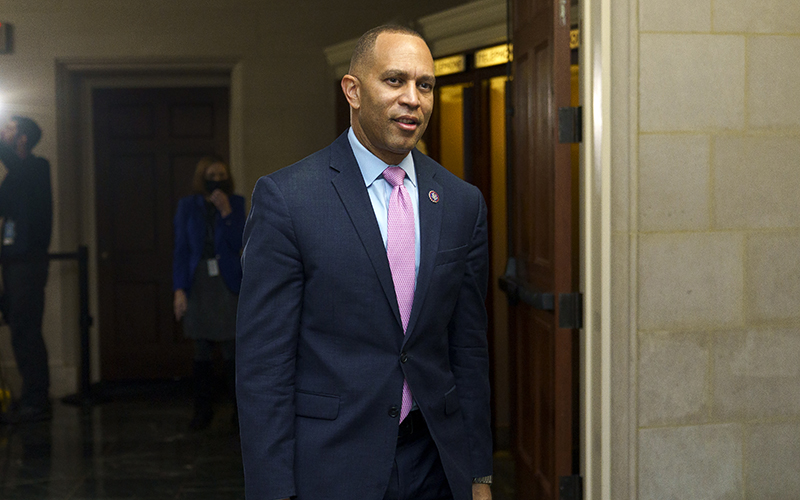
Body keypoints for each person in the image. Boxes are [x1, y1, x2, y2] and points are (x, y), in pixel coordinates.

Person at [236, 25, 493, 500]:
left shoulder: (461, 202)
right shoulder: (290, 199)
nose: (413, 99)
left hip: (436, 465)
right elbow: (263, 367)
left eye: (425, 85)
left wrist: (479, 474)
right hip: (331, 468)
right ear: (353, 91)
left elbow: (468, 352)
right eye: (395, 81)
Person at [172, 156, 245, 431]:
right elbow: (180, 249)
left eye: (221, 174)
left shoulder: (235, 203)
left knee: (232, 348)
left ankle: (239, 415)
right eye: (211, 174)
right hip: (199, 281)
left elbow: (240, 241)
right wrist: (179, 289)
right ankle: (203, 411)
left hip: (227, 282)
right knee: (201, 349)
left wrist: (226, 214)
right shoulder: (187, 206)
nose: (216, 178)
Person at [0, 116, 53, 425]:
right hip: (12, 259)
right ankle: (32, 394)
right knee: (18, 326)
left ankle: (37, 396)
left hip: (28, 261)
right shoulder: (14, 176)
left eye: (8, 127)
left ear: (22, 138)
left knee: (26, 326)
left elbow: (16, 169)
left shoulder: (36, 167)